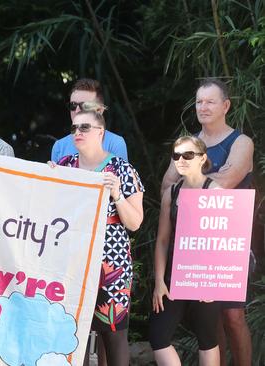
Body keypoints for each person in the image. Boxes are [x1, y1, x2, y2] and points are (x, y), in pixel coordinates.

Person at [160, 78, 253, 366]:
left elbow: (226, 182)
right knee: (208, 319)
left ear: (226, 106)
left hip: (230, 242)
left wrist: (188, 180)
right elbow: (166, 185)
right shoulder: (189, 142)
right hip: (195, 243)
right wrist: (196, 182)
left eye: (210, 101)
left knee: (233, 316)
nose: (204, 106)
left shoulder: (240, 142)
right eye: (199, 101)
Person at [56, 106, 144, 366]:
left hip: (111, 265)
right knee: (74, 336)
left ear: (101, 132)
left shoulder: (122, 169)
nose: (77, 132)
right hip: (72, 263)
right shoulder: (65, 166)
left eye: (84, 127)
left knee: (113, 336)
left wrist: (117, 194)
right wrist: (48, 179)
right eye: (74, 128)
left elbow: (136, 222)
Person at [150, 136, 221, 365]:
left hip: (205, 276)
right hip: (174, 275)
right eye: (176, 155)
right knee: (158, 336)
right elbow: (162, 240)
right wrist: (159, 281)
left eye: (188, 155)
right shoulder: (172, 192)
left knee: (207, 338)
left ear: (202, 159)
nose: (180, 159)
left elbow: (227, 242)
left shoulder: (215, 192)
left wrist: (212, 281)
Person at [51, 78, 128, 162]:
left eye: (85, 106)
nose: (77, 111)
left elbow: (122, 173)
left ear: (99, 110)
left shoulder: (115, 143)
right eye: (73, 105)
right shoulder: (59, 146)